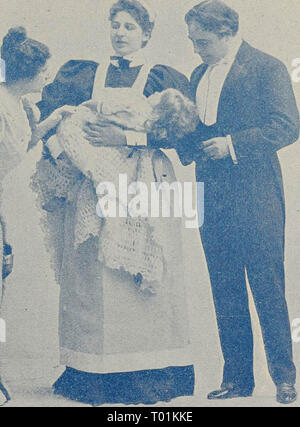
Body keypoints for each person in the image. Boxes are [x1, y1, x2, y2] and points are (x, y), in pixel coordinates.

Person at [33, 0, 195, 406]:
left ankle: (148, 375)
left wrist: (129, 139)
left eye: (129, 27)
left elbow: (184, 133)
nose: (120, 33)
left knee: (146, 277)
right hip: (95, 184)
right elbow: (51, 120)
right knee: (93, 277)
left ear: (146, 34)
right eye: (115, 26)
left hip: (147, 183)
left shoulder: (162, 78)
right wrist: (68, 153)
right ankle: (94, 374)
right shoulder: (84, 74)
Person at [177, 0, 299, 404]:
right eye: (193, 42)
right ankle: (237, 380)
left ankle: (284, 379)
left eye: (203, 41)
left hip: (257, 195)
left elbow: (286, 126)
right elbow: (196, 134)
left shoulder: (268, 67)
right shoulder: (198, 73)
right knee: (225, 289)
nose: (197, 49)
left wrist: (232, 145)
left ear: (227, 33)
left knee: (267, 287)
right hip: (211, 198)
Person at [0, 26, 51, 405]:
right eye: (46, 71)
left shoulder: (19, 104)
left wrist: (57, 117)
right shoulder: (2, 104)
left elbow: (26, 141)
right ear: (31, 72)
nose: (48, 77)